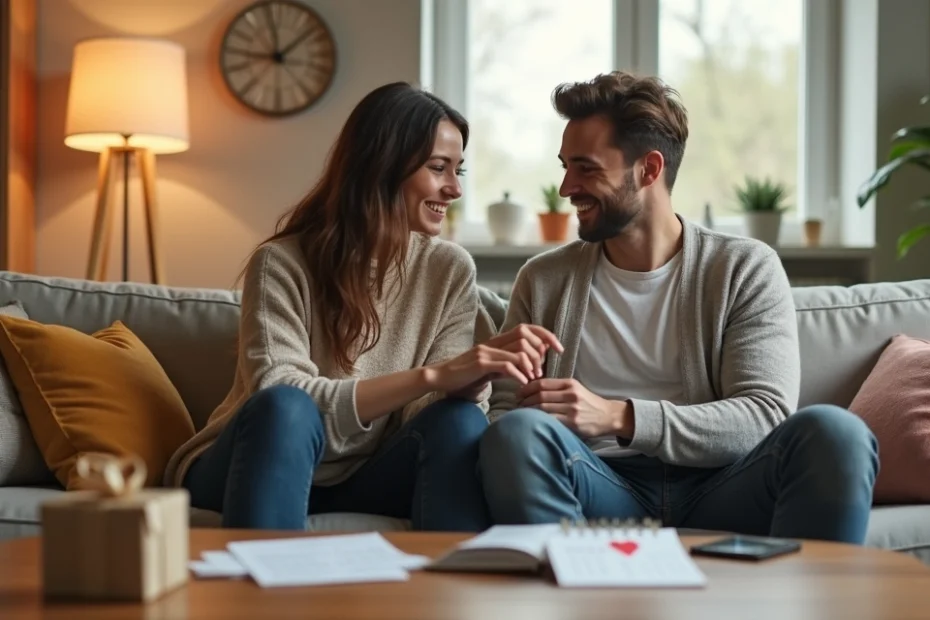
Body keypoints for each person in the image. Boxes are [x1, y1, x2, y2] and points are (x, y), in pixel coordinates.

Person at [478, 71, 879, 544]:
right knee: (518, 434)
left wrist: (619, 416)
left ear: (648, 170)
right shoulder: (544, 279)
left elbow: (763, 415)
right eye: (565, 166)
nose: (566, 188)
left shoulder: (744, 268)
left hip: (723, 487)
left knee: (836, 433)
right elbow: (504, 416)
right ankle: (572, 592)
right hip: (597, 483)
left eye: (586, 168)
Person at [164, 82, 560, 532]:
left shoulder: (449, 269)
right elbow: (280, 391)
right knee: (286, 407)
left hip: (367, 472)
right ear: (383, 166)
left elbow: (426, 412)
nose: (454, 190)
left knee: (458, 419)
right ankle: (264, 596)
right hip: (256, 458)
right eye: (438, 168)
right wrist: (434, 375)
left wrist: (471, 382)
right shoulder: (281, 263)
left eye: (458, 172)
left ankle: (450, 594)